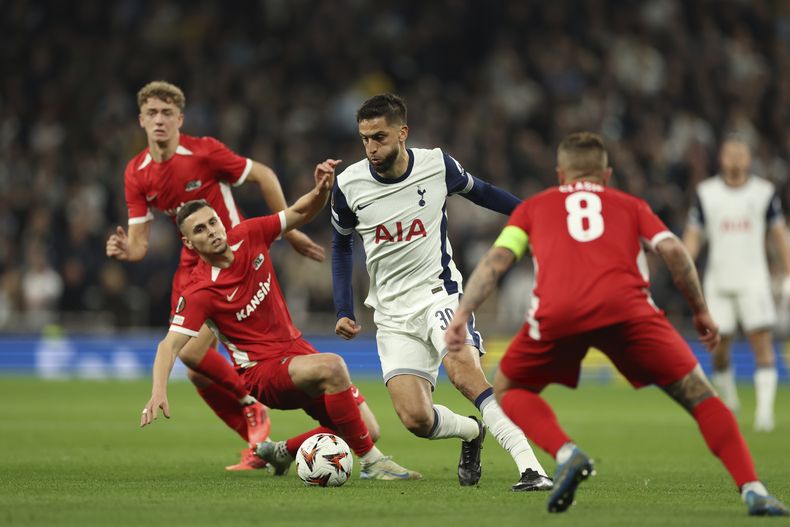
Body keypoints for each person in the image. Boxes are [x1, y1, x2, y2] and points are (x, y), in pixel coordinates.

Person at [445, 132, 789, 516]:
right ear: (606, 175)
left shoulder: (534, 208)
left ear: (560, 174)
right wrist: (700, 309)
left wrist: (461, 315)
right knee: (700, 396)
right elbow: (674, 250)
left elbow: (497, 262)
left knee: (508, 388)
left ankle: (567, 452)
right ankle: (753, 489)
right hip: (628, 311)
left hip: (560, 312)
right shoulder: (630, 205)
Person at [140, 161, 421, 481]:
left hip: (296, 351)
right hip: (262, 372)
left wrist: (320, 191)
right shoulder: (200, 291)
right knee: (333, 367)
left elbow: (299, 213)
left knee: (367, 429)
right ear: (189, 243)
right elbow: (170, 345)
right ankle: (374, 464)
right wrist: (158, 390)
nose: (212, 232)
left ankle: (282, 451)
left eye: (213, 222)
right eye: (199, 230)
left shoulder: (248, 235)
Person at [331, 93, 551, 490]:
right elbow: (341, 245)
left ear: (403, 132)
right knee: (416, 418)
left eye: (379, 137)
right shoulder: (348, 185)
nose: (371, 149)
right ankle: (470, 432)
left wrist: (531, 215)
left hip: (440, 295)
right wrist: (344, 308)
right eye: (364, 139)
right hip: (392, 314)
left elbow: (481, 192)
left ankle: (530, 467)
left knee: (466, 375)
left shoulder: (435, 165)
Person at [106, 81, 326, 470]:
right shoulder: (136, 172)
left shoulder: (204, 152)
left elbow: (265, 175)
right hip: (191, 265)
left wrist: (289, 233)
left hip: (234, 254)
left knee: (192, 352)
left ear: (180, 119)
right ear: (141, 120)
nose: (159, 120)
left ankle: (252, 402)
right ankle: (259, 447)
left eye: (167, 113)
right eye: (152, 113)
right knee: (197, 373)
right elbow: (139, 244)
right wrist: (127, 251)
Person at [682, 137, 790, 432]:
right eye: (730, 152)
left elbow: (779, 235)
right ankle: (729, 401)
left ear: (749, 158)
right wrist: (684, 267)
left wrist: (787, 272)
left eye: (741, 152)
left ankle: (765, 414)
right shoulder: (707, 193)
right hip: (718, 281)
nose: (735, 158)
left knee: (762, 343)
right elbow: (694, 235)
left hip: (754, 279)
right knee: (719, 346)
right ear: (721, 158)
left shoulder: (763, 192)